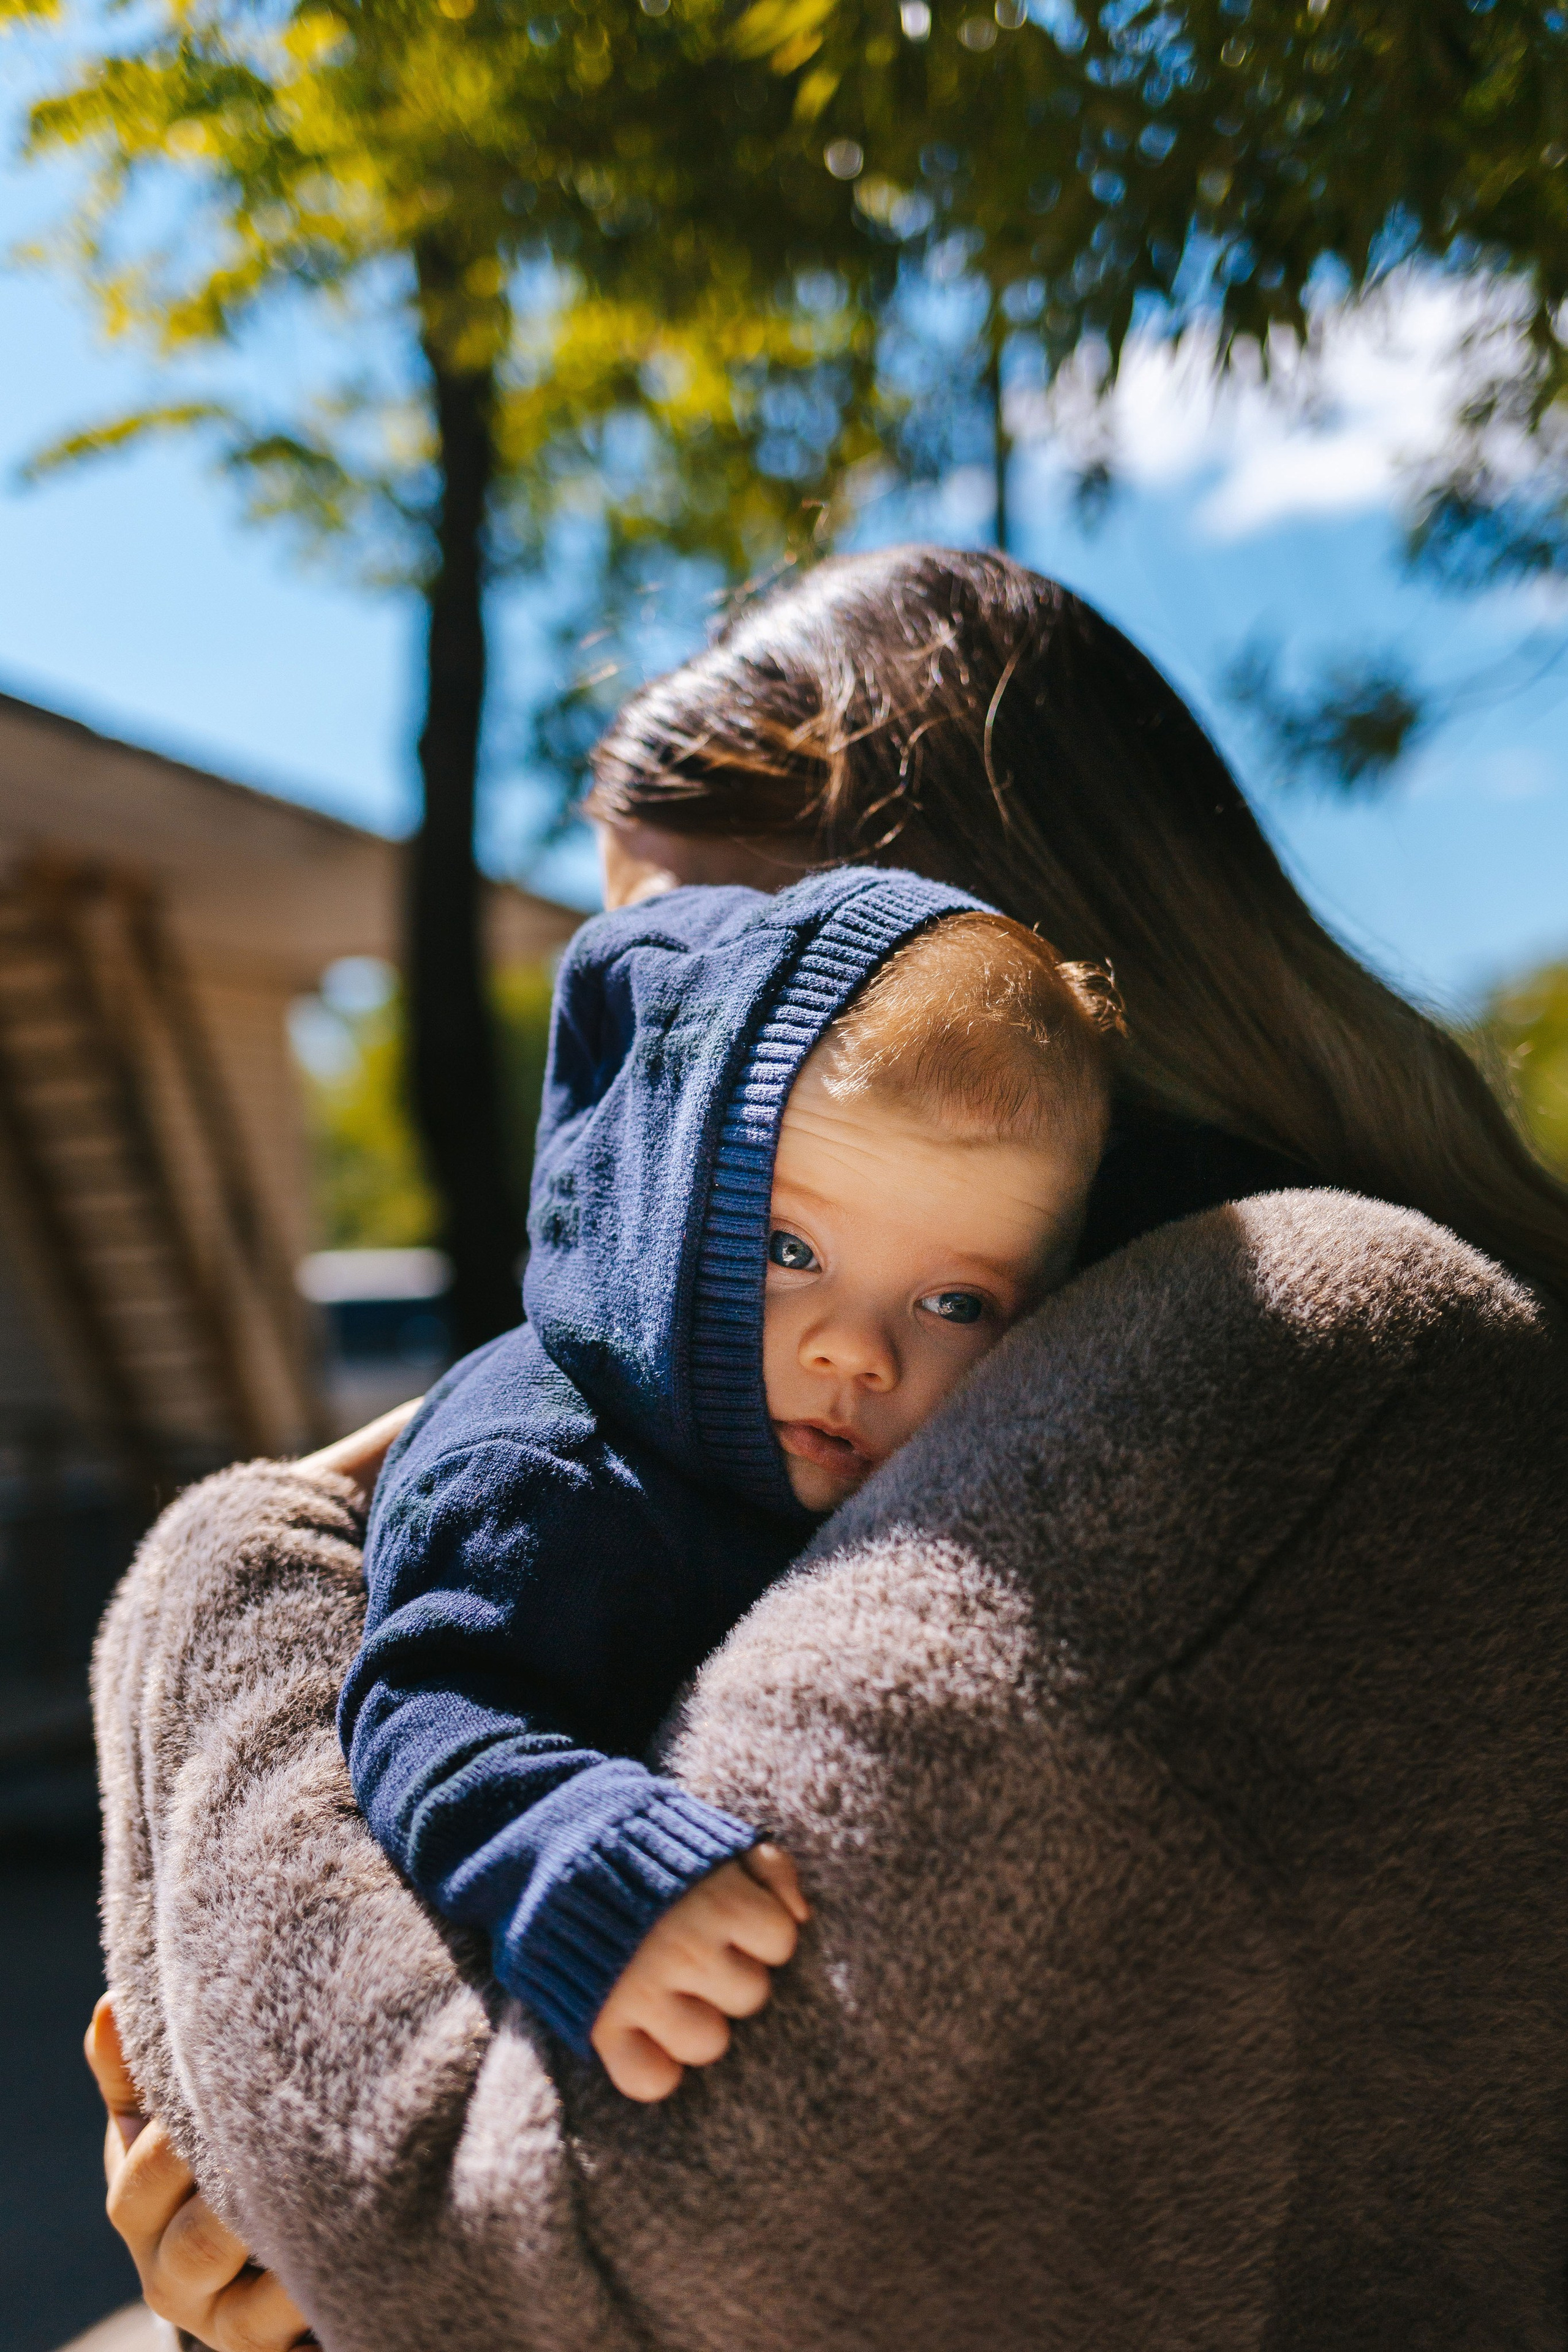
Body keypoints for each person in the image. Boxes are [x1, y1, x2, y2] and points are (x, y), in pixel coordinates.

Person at [86, 548, 1568, 2350]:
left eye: (711, 961)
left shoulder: (1251, 1381)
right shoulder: (1127, 1391)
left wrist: (239, 1562)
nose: (645, 1093)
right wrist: (276, 2221)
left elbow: (548, 2271)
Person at [345, 871, 1120, 2101]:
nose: (856, 1352)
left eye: (954, 1302)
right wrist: (587, 1855)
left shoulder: (879, 1454)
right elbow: (427, 1701)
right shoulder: (543, 1468)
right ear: (667, 1200)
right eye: (787, 1249)